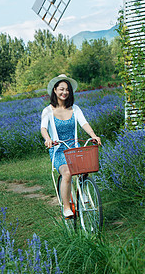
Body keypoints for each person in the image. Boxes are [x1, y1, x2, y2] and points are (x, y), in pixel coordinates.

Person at [40, 74, 101, 219]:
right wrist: (48, 139)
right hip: (58, 148)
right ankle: (67, 208)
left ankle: (83, 189)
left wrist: (93, 135)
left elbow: (84, 123)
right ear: (55, 90)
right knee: (67, 173)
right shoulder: (48, 111)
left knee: (86, 169)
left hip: (75, 146)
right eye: (61, 89)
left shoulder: (75, 109)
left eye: (67, 90)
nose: (64, 92)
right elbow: (43, 128)